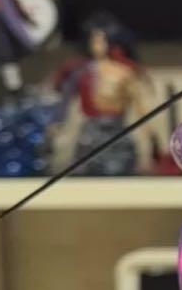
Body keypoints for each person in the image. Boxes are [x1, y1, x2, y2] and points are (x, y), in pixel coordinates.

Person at [52, 12, 156, 176]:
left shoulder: (123, 72)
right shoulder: (81, 71)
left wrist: (151, 137)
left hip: (117, 131)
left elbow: (140, 107)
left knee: (120, 172)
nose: (97, 45)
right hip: (90, 133)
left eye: (101, 41)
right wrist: (57, 123)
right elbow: (65, 102)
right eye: (94, 41)